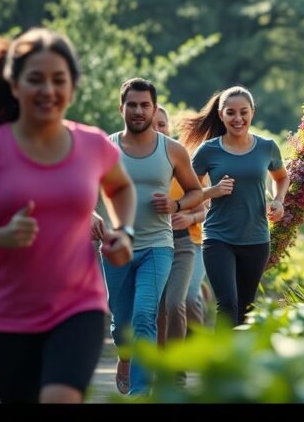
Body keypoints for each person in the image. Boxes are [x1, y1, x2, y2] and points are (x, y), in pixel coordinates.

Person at [0, 29, 135, 403]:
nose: (48, 89)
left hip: (77, 308)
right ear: (14, 85)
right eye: (35, 79)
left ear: (73, 87)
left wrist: (123, 232)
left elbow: (121, 188)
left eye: (58, 80)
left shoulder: (92, 144)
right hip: (6, 313)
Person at [103, 79, 203, 396]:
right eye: (132, 104)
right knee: (122, 327)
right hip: (118, 248)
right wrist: (92, 216)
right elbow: (85, 192)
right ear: (121, 108)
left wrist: (175, 204)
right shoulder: (106, 148)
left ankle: (140, 394)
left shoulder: (171, 150)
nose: (138, 110)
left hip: (158, 246)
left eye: (145, 105)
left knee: (146, 315)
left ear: (154, 108)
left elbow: (196, 192)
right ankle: (125, 354)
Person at [180, 87, 289, 327]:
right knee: (227, 304)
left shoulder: (267, 147)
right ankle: (221, 364)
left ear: (252, 113)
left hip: (256, 237)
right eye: (230, 112)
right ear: (221, 115)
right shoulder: (208, 151)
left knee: (246, 308)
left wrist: (279, 201)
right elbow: (191, 191)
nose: (237, 119)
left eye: (243, 112)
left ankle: (239, 363)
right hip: (218, 237)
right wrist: (212, 192)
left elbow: (281, 177)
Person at [153, 106, 209, 382]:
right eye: (153, 125)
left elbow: (205, 206)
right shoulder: (136, 162)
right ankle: (165, 365)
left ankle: (190, 357)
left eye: (162, 125)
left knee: (182, 300)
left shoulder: (183, 161)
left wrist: (187, 215)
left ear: (169, 128)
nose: (158, 129)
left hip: (189, 242)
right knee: (161, 306)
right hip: (151, 243)